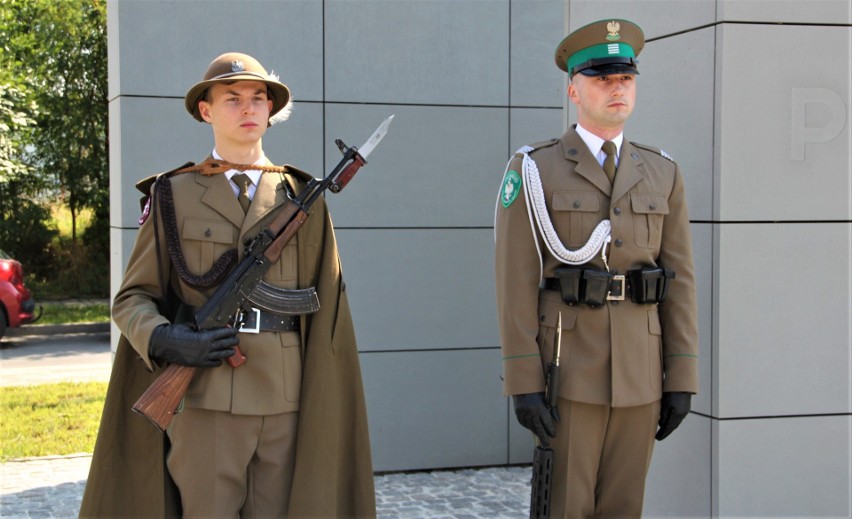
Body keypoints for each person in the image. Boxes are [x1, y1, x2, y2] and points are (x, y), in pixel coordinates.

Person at [80, 52, 375, 517]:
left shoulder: (301, 196)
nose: (248, 108)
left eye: (259, 99)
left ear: (270, 112)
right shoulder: (173, 193)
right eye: (233, 98)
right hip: (204, 395)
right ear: (206, 111)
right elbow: (133, 298)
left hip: (286, 396)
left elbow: (331, 311)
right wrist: (163, 338)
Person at [494, 19, 698, 517]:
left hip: (642, 372)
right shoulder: (533, 168)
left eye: (625, 78)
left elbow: (681, 279)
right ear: (573, 89)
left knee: (625, 506)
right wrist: (524, 381)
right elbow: (513, 280)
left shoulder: (662, 170)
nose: (616, 89)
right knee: (566, 506)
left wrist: (682, 375)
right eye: (602, 78)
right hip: (570, 366)